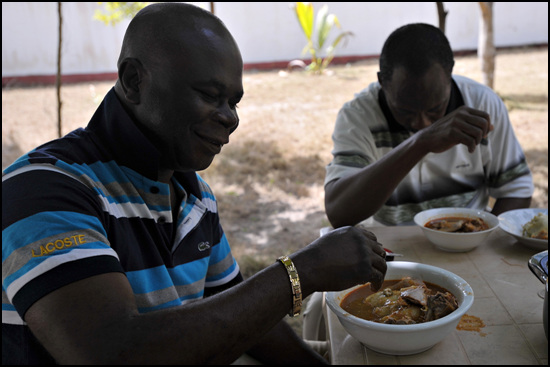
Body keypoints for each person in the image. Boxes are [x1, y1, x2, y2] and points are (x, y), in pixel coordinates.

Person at [1, 3, 388, 365]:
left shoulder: (193, 196)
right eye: (210, 95)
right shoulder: (44, 188)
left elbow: (243, 315)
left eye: (234, 102)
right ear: (134, 80)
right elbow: (109, 351)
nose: (230, 119)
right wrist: (301, 271)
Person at [324, 23, 534, 228]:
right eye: (405, 110)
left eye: (435, 109)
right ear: (382, 82)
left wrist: (484, 240)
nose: (421, 123)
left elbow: (516, 190)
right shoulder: (358, 116)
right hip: (389, 252)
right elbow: (339, 213)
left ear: (450, 75)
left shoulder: (482, 104)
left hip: (467, 248)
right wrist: (420, 144)